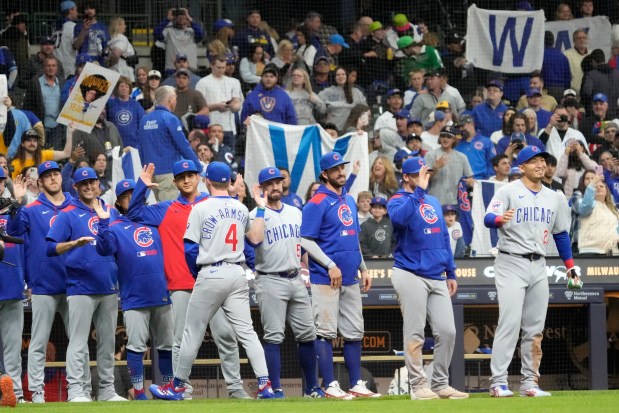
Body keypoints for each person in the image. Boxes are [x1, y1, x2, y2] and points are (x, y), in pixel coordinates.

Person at [149, 161, 276, 400]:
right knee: (247, 332)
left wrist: (198, 276)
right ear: (229, 182)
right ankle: (264, 384)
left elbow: (189, 249)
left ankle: (177, 387)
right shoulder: (239, 207)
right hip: (237, 273)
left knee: (191, 333)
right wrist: (260, 209)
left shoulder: (201, 207)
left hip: (211, 271)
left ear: (206, 180)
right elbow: (256, 240)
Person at [127, 161, 250, 400]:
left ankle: (235, 389)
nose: (186, 180)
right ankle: (182, 390)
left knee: (225, 335)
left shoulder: (214, 203)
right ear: (174, 182)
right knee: (180, 341)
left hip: (215, 281)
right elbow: (134, 213)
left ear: (199, 177)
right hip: (181, 284)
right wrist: (141, 185)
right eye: (181, 176)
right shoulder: (166, 208)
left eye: (191, 175)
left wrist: (239, 199)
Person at [483, 146, 581, 398]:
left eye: (543, 160)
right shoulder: (508, 191)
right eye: (533, 161)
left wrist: (570, 268)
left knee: (535, 328)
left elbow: (560, 234)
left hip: (539, 264)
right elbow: (488, 217)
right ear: (522, 166)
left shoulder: (555, 197)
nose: (540, 165)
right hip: (510, 260)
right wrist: (498, 220)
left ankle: (529, 383)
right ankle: (498, 382)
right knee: (510, 323)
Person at [7, 161, 90, 403]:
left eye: (56, 174)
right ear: (40, 182)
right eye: (48, 176)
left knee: (79, 339)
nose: (53, 178)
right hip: (44, 283)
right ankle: (36, 393)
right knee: (39, 340)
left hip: (75, 282)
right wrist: (18, 200)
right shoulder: (31, 209)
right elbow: (13, 230)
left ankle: (82, 390)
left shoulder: (76, 206)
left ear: (61, 178)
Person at [387, 157, 467, 400]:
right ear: (407, 177)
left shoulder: (432, 200)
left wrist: (450, 271)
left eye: (427, 173)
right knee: (415, 332)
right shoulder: (397, 200)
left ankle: (440, 384)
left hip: (436, 274)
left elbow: (443, 236)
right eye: (420, 174)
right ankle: (418, 385)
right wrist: (419, 191)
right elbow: (399, 219)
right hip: (409, 272)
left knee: (448, 331)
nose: (426, 177)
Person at [300, 151, 378, 399]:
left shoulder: (350, 200)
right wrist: (329, 264)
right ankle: (331, 385)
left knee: (355, 331)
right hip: (326, 277)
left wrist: (363, 267)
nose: (341, 172)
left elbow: (354, 238)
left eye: (342, 168)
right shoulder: (316, 202)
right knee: (325, 331)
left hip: (351, 276)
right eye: (335, 169)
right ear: (325, 173)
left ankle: (356, 383)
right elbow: (306, 240)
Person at [45, 166, 126, 402]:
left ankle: (107, 391)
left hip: (109, 286)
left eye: (92, 182)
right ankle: (76, 391)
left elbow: (118, 246)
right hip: (80, 286)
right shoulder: (68, 214)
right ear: (76, 188)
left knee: (108, 342)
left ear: (98, 184)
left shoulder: (110, 211)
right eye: (84, 184)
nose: (89, 186)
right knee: (78, 343)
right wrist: (72, 244)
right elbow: (50, 247)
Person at [92, 179, 174, 400]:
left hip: (161, 292)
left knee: (167, 346)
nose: (130, 199)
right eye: (126, 196)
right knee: (136, 346)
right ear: (118, 201)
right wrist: (101, 222)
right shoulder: (114, 226)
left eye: (134, 194)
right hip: (135, 296)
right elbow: (104, 249)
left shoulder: (153, 219)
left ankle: (167, 389)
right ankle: (138, 393)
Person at [249, 167, 324, 398]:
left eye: (278, 182)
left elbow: (303, 247)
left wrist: (308, 267)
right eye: (269, 183)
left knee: (308, 335)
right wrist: (261, 207)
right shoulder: (254, 214)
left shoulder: (295, 212)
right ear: (261, 188)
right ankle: (275, 388)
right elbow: (255, 239)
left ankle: (312, 387)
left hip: (296, 278)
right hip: (270, 279)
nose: (275, 186)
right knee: (273, 337)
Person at [137, 85, 200, 201]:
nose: (176, 101)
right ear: (170, 99)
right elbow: (183, 146)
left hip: (151, 173)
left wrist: (146, 171)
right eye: (175, 98)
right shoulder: (170, 118)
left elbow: (140, 148)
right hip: (168, 173)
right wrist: (198, 166)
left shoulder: (144, 120)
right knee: (169, 211)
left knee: (160, 209)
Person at [0, 167, 25, 404]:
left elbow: (25, 241)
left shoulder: (14, 211)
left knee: (13, 346)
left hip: (12, 284)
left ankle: (15, 393)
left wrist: (17, 201)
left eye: (0, 181)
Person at [195, 55, 244, 152]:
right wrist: (216, 106)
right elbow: (199, 108)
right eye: (218, 67)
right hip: (210, 127)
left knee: (229, 157)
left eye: (223, 67)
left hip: (229, 127)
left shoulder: (234, 82)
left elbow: (238, 104)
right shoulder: (203, 82)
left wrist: (232, 106)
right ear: (211, 65)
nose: (221, 70)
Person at [425, 126, 474, 206]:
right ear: (439, 138)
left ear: (454, 139)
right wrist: (435, 167)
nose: (445, 139)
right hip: (435, 201)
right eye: (443, 136)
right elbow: (425, 177)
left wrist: (470, 182)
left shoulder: (462, 157)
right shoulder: (430, 155)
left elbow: (470, 178)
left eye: (449, 137)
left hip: (455, 202)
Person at [576, 175, 619, 254]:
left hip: (612, 253)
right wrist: (592, 183)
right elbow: (586, 205)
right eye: (596, 187)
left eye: (601, 186)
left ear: (606, 191)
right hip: (591, 251)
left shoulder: (614, 211)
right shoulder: (588, 204)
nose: (598, 188)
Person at [154, 8, 203, 75]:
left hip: (190, 68)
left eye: (183, 14)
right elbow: (156, 33)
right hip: (172, 68)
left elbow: (201, 35)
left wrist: (190, 19)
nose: (181, 17)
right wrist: (167, 19)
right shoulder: (169, 31)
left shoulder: (193, 31)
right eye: (179, 15)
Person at [318, 66, 367, 131]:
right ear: (334, 77)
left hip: (350, 129)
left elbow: (365, 110)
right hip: (332, 129)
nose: (341, 76)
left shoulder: (356, 92)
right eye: (338, 75)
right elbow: (319, 106)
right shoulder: (327, 92)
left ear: (346, 76)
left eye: (343, 74)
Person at [106, 76, 145, 149]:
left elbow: (142, 123)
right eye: (121, 86)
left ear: (130, 89)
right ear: (117, 88)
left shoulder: (136, 105)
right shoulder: (110, 103)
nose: (124, 88)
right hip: (115, 144)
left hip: (133, 144)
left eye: (126, 87)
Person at [455, 115, 495, 179]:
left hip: (481, 181)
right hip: (462, 183)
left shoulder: (486, 142)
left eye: (462, 126)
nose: (460, 129)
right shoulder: (456, 144)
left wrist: (487, 179)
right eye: (459, 127)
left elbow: (492, 163)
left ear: (471, 124)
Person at [53, 1, 79, 80]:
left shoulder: (56, 27)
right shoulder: (73, 26)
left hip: (56, 64)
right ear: (70, 10)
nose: (77, 13)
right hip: (68, 67)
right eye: (75, 10)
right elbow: (76, 45)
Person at [106, 17, 137, 82]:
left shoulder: (111, 38)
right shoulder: (121, 38)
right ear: (118, 26)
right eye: (123, 24)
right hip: (123, 73)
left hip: (114, 72)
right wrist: (109, 63)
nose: (125, 26)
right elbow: (115, 55)